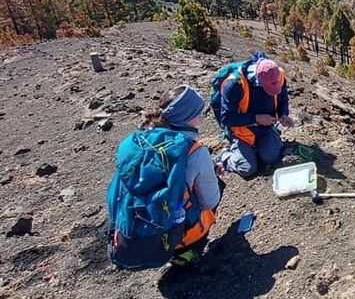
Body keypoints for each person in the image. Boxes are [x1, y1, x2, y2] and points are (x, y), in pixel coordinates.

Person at [107, 85, 222, 269]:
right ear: (187, 117)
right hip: (170, 234)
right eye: (200, 113)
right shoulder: (194, 151)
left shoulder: (138, 143)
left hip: (128, 231)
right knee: (217, 186)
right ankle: (185, 250)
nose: (202, 117)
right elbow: (209, 201)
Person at [215, 53, 294, 177]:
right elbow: (226, 118)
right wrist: (256, 119)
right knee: (248, 168)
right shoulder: (234, 84)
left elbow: (282, 99)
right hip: (241, 131)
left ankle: (257, 149)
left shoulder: (277, 76)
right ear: (258, 81)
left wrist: (283, 115)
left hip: (266, 127)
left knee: (271, 157)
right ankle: (226, 157)